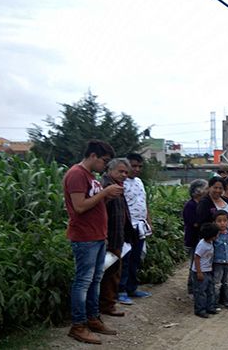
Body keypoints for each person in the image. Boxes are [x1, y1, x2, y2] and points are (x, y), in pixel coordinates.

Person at [64, 140, 121, 344]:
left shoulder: (91, 176)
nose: (105, 165)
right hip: (84, 237)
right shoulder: (76, 174)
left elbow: (93, 205)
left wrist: (106, 197)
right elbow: (79, 207)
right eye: (104, 161)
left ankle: (92, 318)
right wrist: (105, 193)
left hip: (96, 236)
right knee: (83, 281)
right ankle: (78, 325)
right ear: (93, 156)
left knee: (95, 279)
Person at [100, 158, 136, 317]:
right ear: (110, 170)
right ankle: (106, 305)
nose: (123, 175)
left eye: (126, 173)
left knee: (113, 272)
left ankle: (108, 304)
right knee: (109, 273)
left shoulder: (117, 187)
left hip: (118, 238)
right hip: (109, 238)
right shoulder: (106, 187)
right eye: (120, 171)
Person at [119, 153, 153, 305]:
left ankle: (132, 287)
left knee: (135, 259)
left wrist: (148, 221)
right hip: (126, 227)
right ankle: (121, 290)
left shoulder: (139, 182)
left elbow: (145, 203)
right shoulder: (121, 182)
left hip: (140, 226)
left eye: (140, 166)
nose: (137, 169)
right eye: (134, 166)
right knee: (124, 259)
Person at [183, 179, 208, 297]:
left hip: (201, 237)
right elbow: (194, 223)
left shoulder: (203, 203)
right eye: (205, 188)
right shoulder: (190, 205)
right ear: (197, 191)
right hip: (193, 239)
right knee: (194, 263)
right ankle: (192, 288)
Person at [192, 223, 220, 318]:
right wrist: (199, 272)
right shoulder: (202, 245)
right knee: (201, 291)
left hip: (208, 270)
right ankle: (200, 310)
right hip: (201, 271)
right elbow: (197, 257)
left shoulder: (210, 242)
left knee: (210, 290)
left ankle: (210, 307)